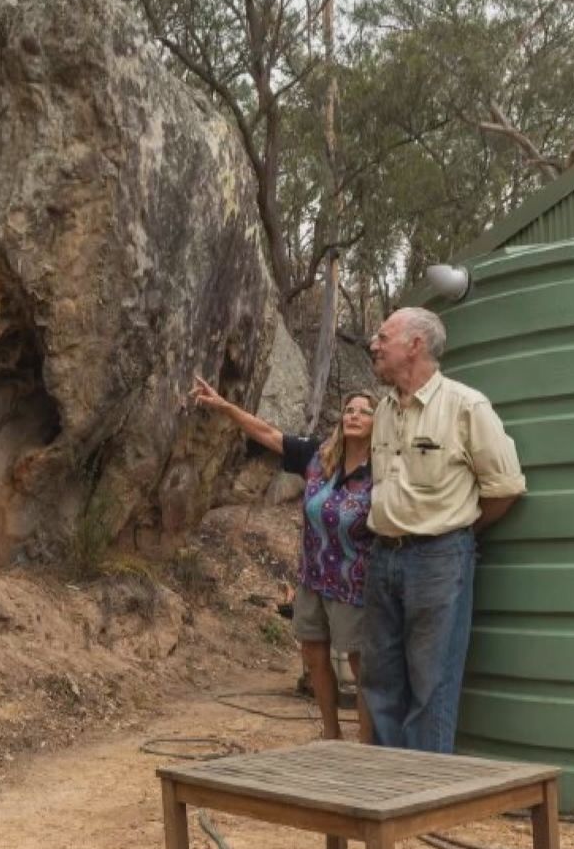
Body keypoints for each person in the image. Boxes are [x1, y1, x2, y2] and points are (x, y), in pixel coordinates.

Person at [363, 307, 526, 753]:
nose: (373, 345)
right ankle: (384, 797)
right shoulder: (383, 409)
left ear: (415, 344)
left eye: (383, 337)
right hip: (383, 557)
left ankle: (423, 800)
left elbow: (506, 487)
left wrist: (456, 534)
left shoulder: (465, 406)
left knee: (431, 683)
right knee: (379, 679)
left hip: (439, 558)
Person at [188, 376, 377, 742]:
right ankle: (330, 733)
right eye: (349, 410)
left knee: (359, 664)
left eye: (365, 412)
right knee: (315, 654)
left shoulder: (381, 470)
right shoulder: (320, 458)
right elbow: (269, 435)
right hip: (312, 577)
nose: (354, 415)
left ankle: (367, 743)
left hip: (354, 583)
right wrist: (226, 407)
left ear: (377, 423)